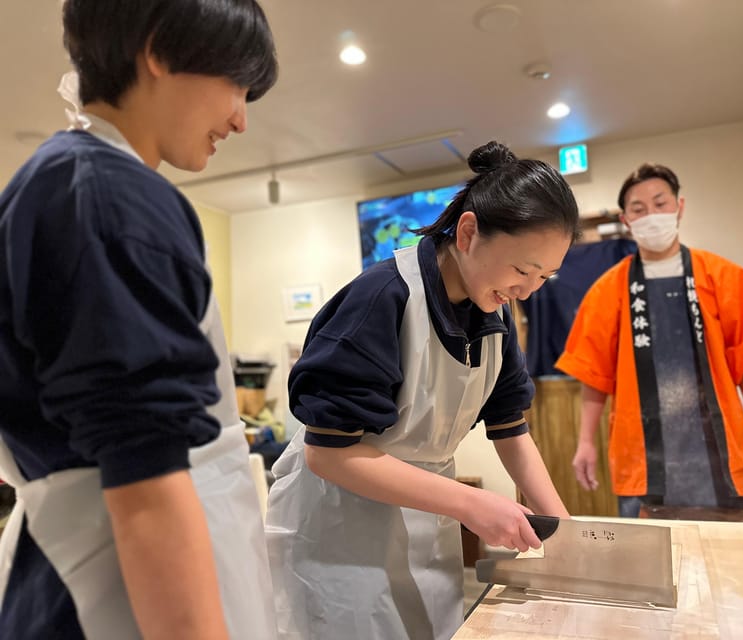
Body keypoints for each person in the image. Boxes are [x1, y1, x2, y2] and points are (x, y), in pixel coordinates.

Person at [0, 1, 278, 638]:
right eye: (236, 84)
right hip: (109, 598)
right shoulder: (108, 198)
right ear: (158, 50)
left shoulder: (69, 184)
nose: (240, 118)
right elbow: (147, 489)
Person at [266, 141, 579, 640]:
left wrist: (564, 530)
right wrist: (470, 504)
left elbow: (509, 426)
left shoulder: (494, 312)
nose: (528, 290)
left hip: (424, 524)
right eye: (522, 270)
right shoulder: (380, 299)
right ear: (470, 232)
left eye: (544, 276)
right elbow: (328, 454)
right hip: (340, 532)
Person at [556, 163, 743, 518]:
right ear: (626, 219)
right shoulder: (606, 291)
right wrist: (585, 442)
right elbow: (594, 375)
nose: (651, 215)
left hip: (722, 455)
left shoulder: (726, 278)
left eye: (661, 203)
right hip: (643, 459)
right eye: (638, 208)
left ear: (679, 207)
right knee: (650, 567)